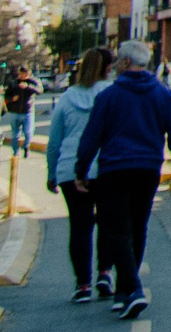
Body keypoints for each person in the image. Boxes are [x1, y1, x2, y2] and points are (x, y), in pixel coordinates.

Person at [75, 39, 171, 320]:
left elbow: (92, 137)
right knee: (138, 228)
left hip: (114, 170)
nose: (113, 66)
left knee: (117, 230)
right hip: (148, 169)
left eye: (117, 61)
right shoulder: (163, 95)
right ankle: (125, 292)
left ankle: (133, 289)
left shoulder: (109, 96)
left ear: (126, 62)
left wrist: (81, 170)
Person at [49, 48, 114, 302]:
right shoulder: (110, 94)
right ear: (106, 69)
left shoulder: (66, 98)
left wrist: (52, 172)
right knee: (108, 222)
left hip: (70, 167)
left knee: (79, 226)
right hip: (105, 167)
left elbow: (55, 140)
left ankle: (82, 285)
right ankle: (105, 272)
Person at [3, 64, 33, 154]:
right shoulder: (13, 83)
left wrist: (27, 87)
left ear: (28, 74)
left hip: (27, 112)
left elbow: (39, 91)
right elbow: (6, 96)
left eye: (25, 74)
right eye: (21, 73)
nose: (23, 75)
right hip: (14, 112)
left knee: (28, 133)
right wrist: (12, 99)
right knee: (15, 135)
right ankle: (15, 152)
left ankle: (26, 146)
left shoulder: (32, 82)